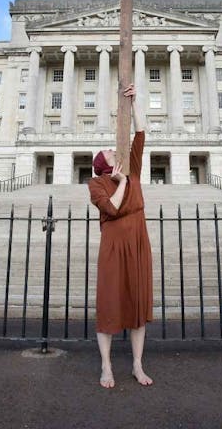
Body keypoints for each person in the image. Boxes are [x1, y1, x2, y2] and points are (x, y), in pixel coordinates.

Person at [88, 84, 153, 389]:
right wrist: (124, 182)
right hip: (114, 245)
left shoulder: (133, 169)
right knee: (110, 304)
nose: (115, 149)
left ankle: (138, 365)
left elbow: (141, 134)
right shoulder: (97, 184)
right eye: (110, 151)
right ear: (103, 164)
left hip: (138, 240)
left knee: (137, 304)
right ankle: (106, 366)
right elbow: (112, 210)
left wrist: (134, 101)